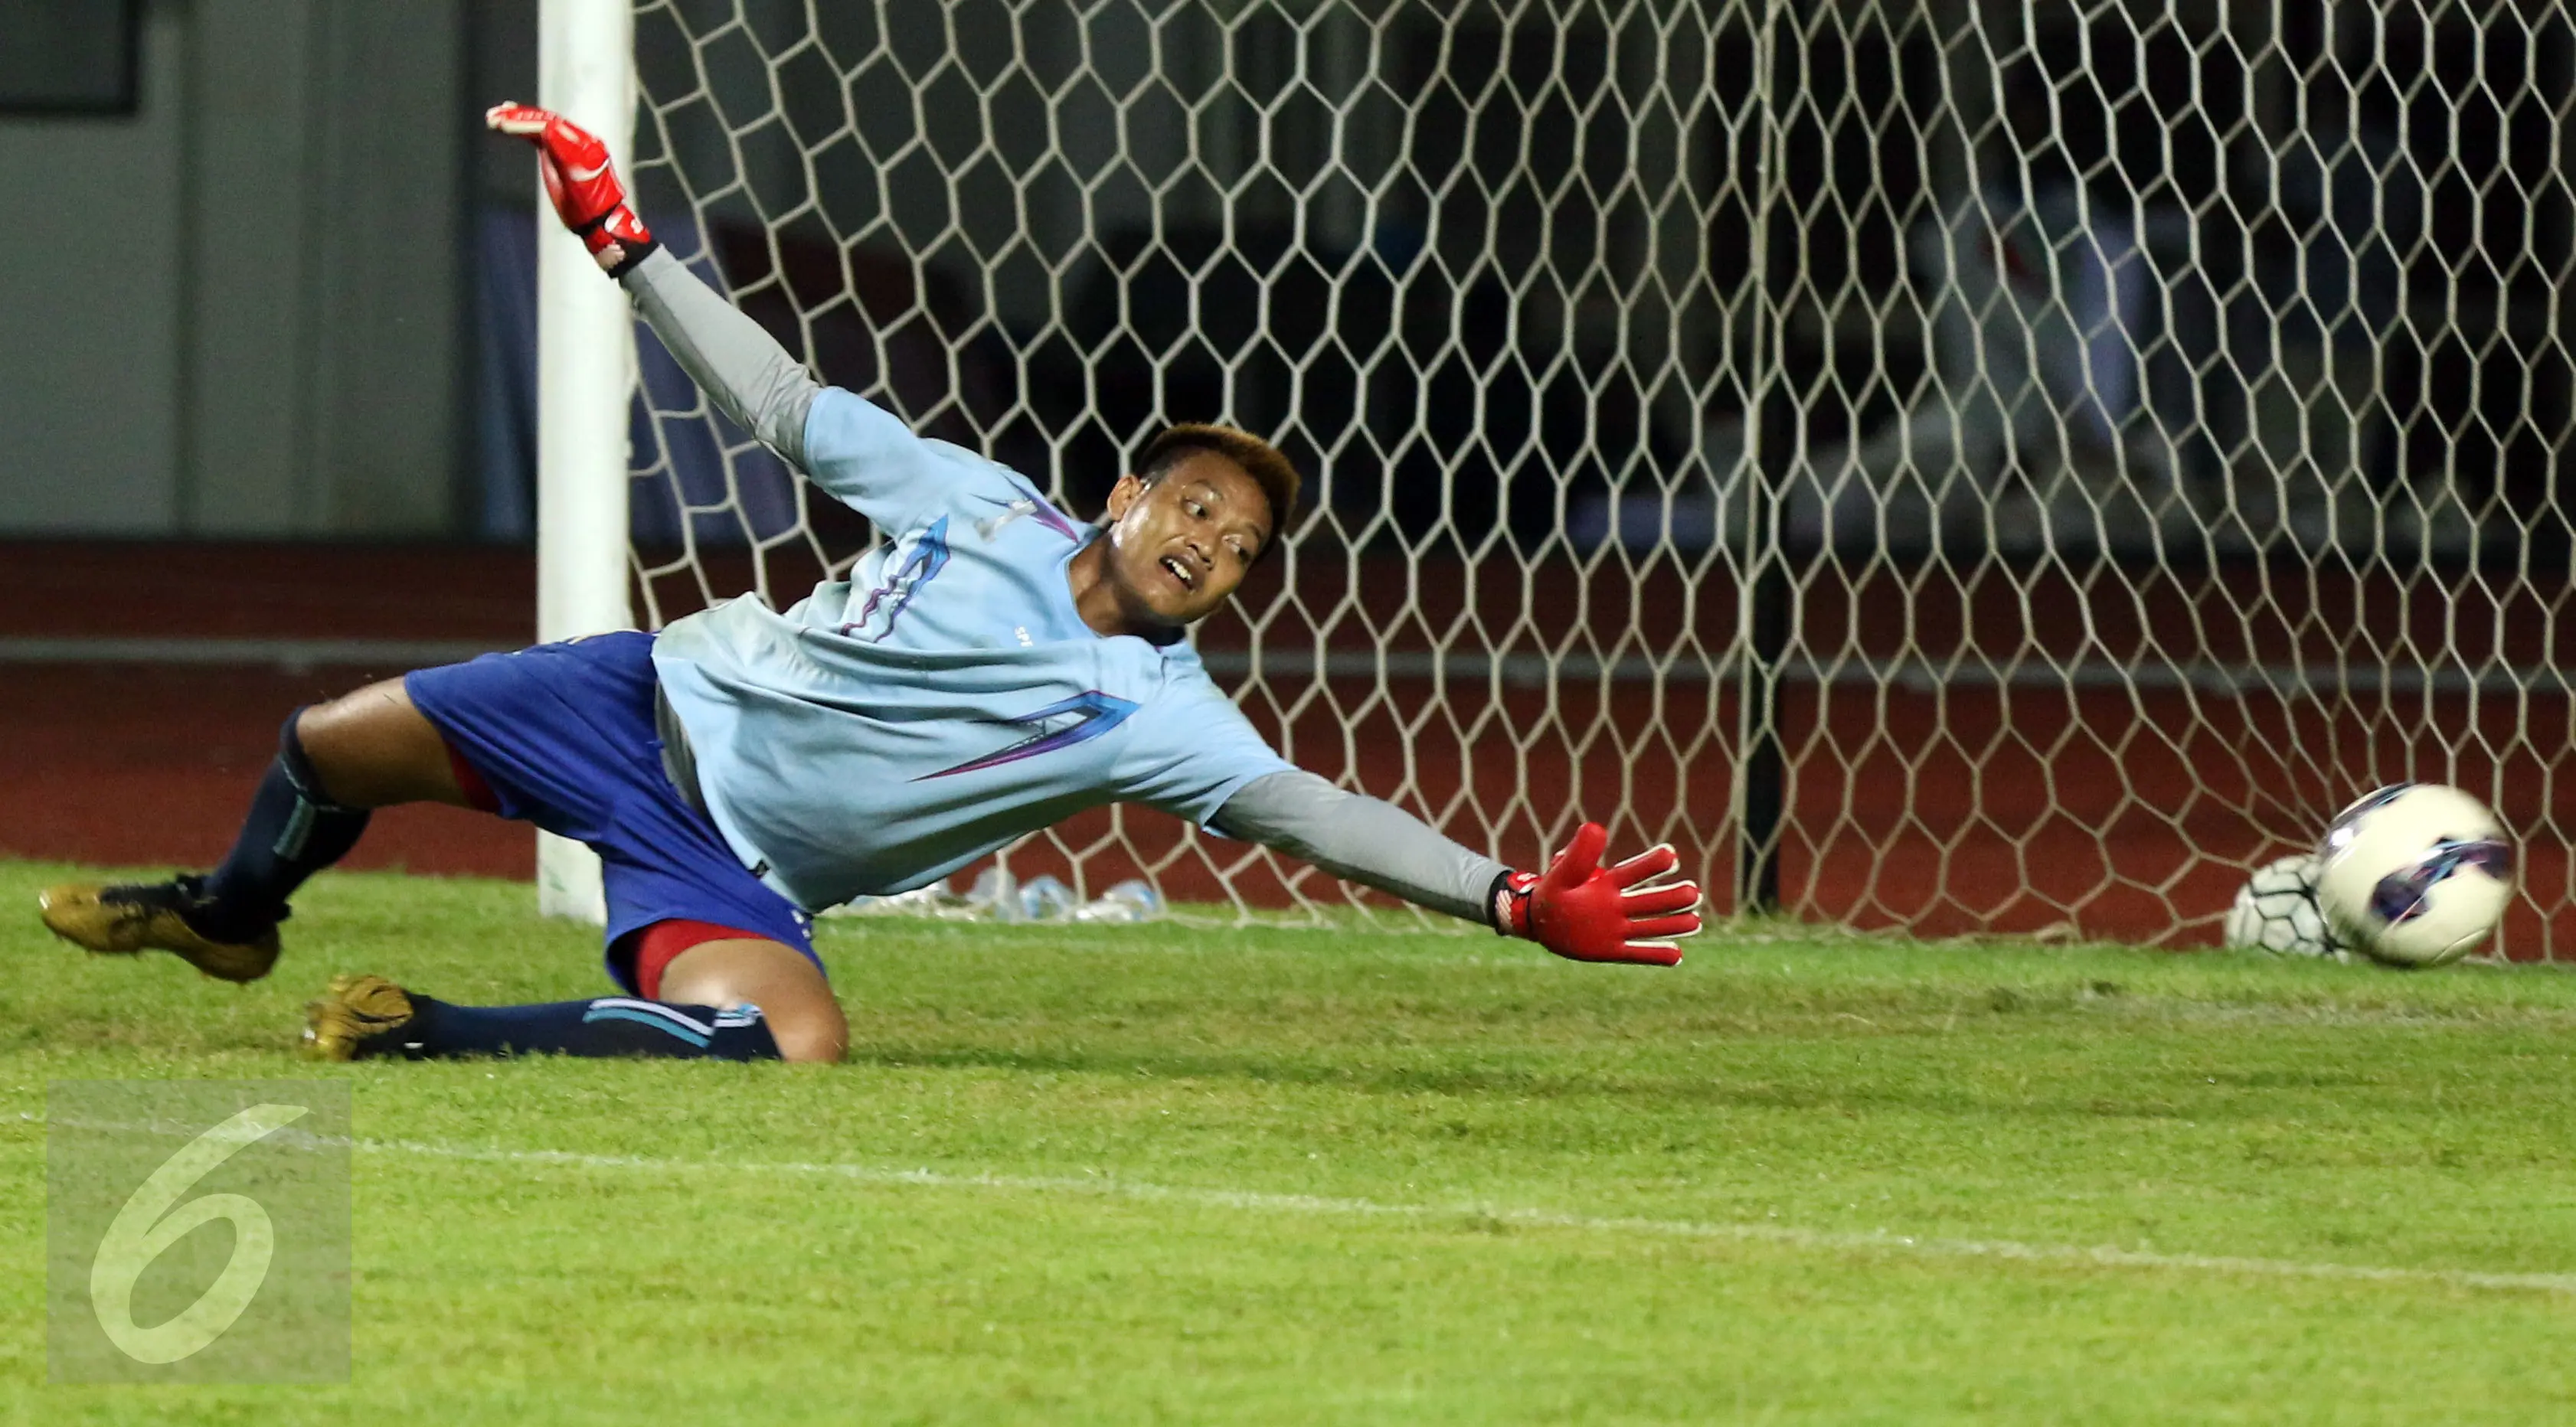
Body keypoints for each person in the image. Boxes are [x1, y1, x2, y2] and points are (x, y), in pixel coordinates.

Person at [35, 103, 1702, 1065]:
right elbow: (773, 402)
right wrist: (628, 250)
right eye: (1190, 502)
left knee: (796, 1042)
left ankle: (433, 1031)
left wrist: (1505, 897)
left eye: (1242, 543)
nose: (1208, 539)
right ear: (1122, 496)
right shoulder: (975, 500)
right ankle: (232, 916)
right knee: (325, 741)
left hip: (739, 856)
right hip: (636, 699)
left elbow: (1321, 812)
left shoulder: (1160, 714)